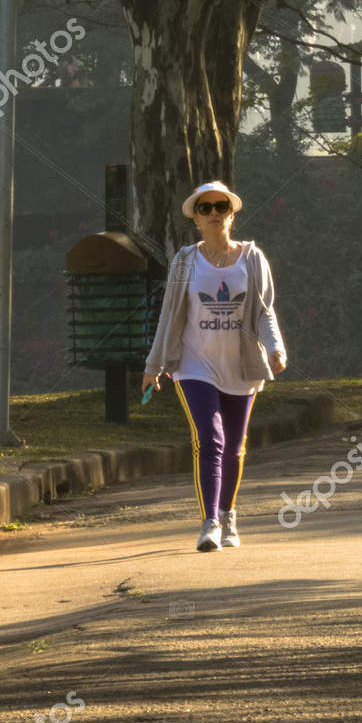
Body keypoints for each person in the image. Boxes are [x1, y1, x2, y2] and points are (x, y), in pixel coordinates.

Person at [143, 181, 288, 552]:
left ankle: (228, 515)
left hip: (241, 366)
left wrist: (275, 348)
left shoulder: (252, 259)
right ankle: (209, 522)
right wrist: (154, 364)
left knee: (235, 446)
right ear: (195, 218)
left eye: (220, 206)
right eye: (204, 208)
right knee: (210, 439)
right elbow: (170, 314)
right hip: (194, 365)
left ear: (231, 213)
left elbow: (263, 311)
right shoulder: (185, 261)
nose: (213, 213)